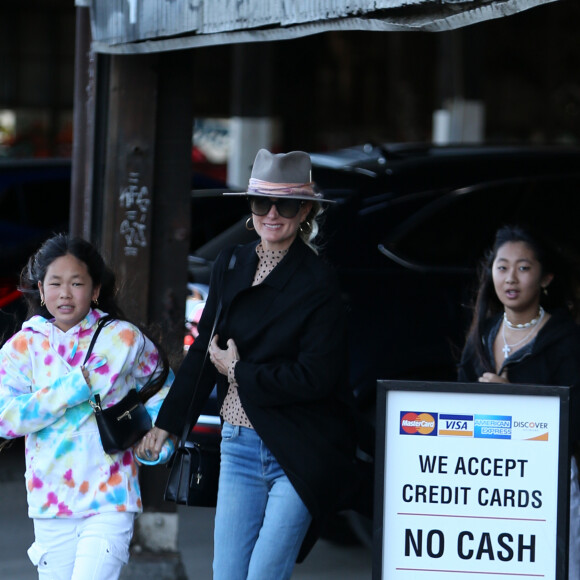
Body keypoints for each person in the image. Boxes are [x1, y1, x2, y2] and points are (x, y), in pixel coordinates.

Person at [140, 149, 369, 579]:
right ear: (251, 206)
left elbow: (316, 377)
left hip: (297, 448)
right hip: (239, 446)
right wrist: (167, 423)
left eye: (286, 204)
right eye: (262, 202)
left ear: (306, 211)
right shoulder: (231, 262)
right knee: (227, 574)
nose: (272, 214)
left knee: (264, 574)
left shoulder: (319, 280)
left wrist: (240, 372)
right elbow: (205, 352)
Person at [0, 234, 174, 580]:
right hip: (50, 503)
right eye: (56, 283)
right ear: (41, 288)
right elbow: (6, 420)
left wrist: (157, 436)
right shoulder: (22, 347)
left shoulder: (122, 338)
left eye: (77, 283)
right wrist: (71, 388)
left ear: (95, 291)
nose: (66, 293)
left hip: (111, 497)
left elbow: (161, 387)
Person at [458, 224, 580, 580]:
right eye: (502, 266)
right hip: (490, 484)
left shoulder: (566, 341)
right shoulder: (483, 334)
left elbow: (573, 423)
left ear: (546, 278)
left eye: (524, 268)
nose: (510, 278)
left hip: (548, 486)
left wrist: (516, 400)